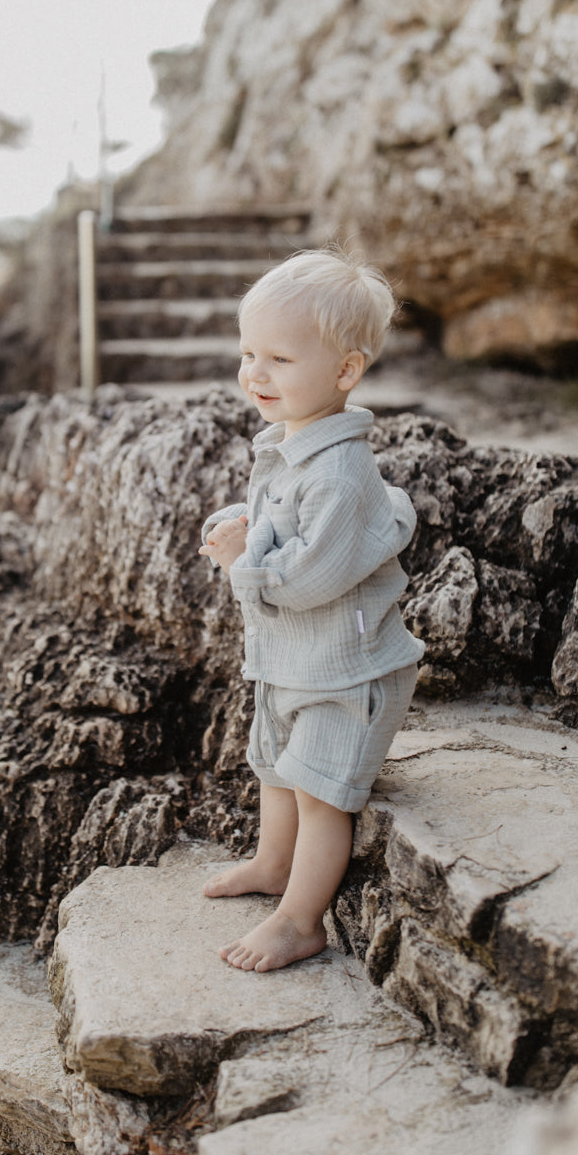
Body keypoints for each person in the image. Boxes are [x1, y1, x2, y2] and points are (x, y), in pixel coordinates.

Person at [199, 248, 423, 972]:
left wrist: (243, 563)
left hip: (346, 673)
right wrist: (243, 519)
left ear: (346, 371)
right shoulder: (292, 442)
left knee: (324, 795)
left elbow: (311, 576)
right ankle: (273, 864)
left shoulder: (341, 470)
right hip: (296, 660)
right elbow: (278, 515)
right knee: (277, 768)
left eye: (279, 359)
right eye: (248, 353)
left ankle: (302, 919)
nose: (255, 374)